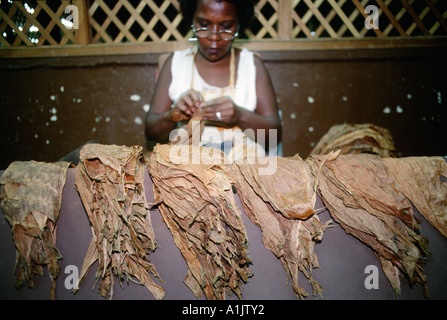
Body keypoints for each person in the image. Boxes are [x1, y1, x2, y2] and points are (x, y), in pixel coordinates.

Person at [145, 0, 282, 161]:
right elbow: (151, 132)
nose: (214, 37)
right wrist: (171, 117)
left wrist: (240, 116)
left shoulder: (251, 65)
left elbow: (275, 136)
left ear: (239, 24)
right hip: (188, 171)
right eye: (204, 24)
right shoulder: (176, 64)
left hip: (244, 168)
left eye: (226, 26)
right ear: (192, 20)